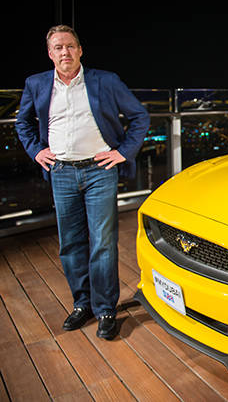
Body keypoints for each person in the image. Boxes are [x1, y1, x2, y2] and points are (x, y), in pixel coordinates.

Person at [15, 25, 150, 340]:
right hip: (61, 172)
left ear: (80, 50)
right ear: (50, 54)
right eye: (59, 47)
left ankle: (105, 309)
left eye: (70, 46)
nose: (65, 52)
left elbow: (139, 117)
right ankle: (82, 304)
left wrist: (123, 153)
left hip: (99, 171)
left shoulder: (106, 80)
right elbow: (23, 122)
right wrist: (36, 152)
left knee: (103, 243)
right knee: (71, 243)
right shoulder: (36, 84)